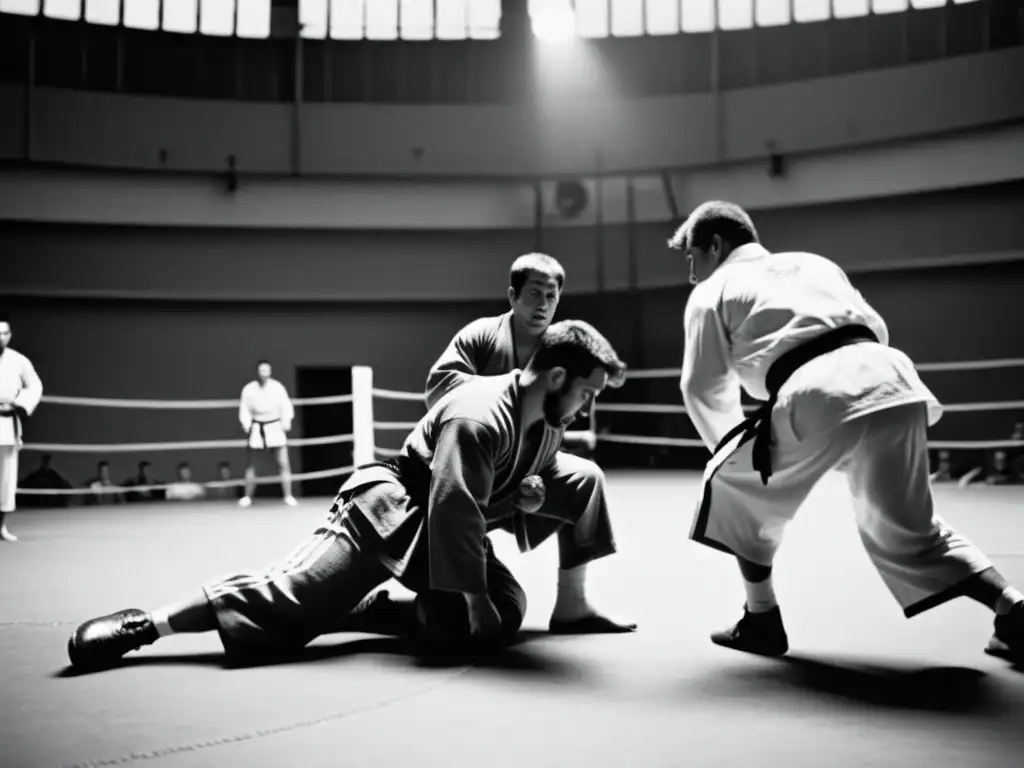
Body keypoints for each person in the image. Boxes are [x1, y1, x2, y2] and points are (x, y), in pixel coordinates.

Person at [66, 321, 635, 671]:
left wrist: (529, 496)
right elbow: (454, 508)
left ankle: (367, 609)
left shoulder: (550, 420)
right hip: (390, 511)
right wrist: (481, 585)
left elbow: (528, 476)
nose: (587, 407)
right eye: (586, 391)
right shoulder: (478, 416)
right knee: (287, 605)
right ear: (557, 378)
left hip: (441, 533)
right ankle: (147, 626)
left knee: (507, 609)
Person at [670, 200, 1024, 663]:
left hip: (816, 389)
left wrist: (730, 451)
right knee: (911, 528)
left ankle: (760, 619)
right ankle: (1013, 607)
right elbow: (874, 326)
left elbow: (701, 387)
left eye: (693, 257)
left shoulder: (714, 289)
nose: (692, 273)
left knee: (735, 491)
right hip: (893, 379)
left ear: (715, 245)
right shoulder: (814, 263)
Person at [425, 254, 632, 632]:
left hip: (529, 462)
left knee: (585, 478)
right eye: (534, 293)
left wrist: (534, 466)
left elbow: (560, 415)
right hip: (472, 457)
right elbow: (439, 390)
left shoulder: (561, 348)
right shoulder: (482, 336)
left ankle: (573, 603)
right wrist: (509, 395)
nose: (542, 304)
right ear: (512, 296)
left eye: (551, 296)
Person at [0, 314, 43, 542]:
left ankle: (1, 525)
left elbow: (35, 384)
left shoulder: (19, 361)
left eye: (4, 333)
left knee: (6, 479)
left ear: (10, 335)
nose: (0, 337)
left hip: (7, 423)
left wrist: (21, 405)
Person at [238, 360, 296, 508]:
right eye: (261, 371)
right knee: (252, 465)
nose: (264, 373)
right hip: (258, 427)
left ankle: (288, 495)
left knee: (284, 463)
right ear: (258, 372)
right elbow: (244, 409)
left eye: (266, 371)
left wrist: (286, 422)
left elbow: (286, 406)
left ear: (270, 372)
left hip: (275, 426)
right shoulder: (249, 389)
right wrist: (247, 425)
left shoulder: (278, 388)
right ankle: (247, 496)